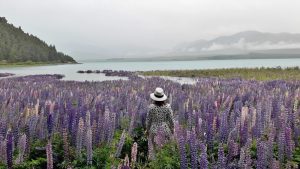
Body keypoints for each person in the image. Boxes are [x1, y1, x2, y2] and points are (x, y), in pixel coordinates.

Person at [146, 87, 174, 159]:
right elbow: (171, 120)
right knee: (165, 150)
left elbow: (148, 120)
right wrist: (172, 129)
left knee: (152, 150)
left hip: (153, 130)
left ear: (154, 98)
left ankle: (153, 164)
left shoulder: (151, 107)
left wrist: (147, 130)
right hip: (165, 130)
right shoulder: (168, 107)